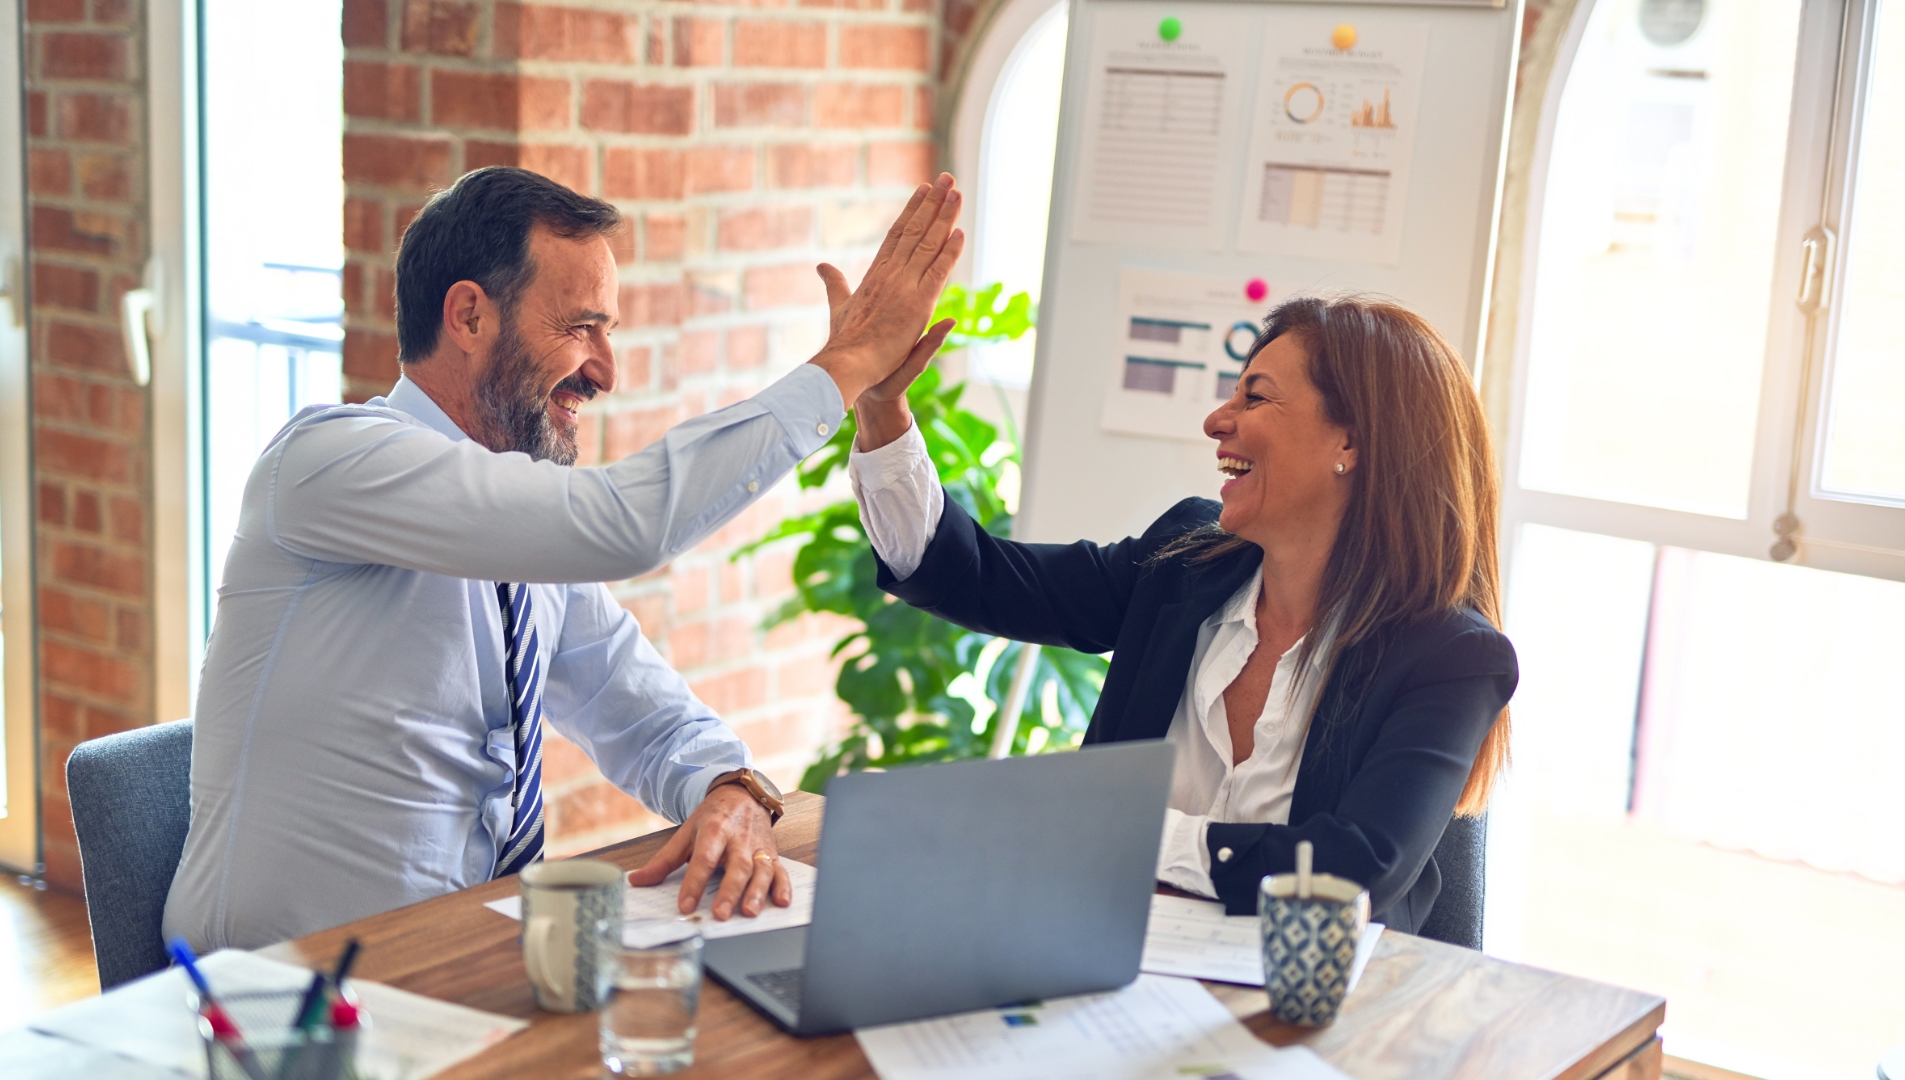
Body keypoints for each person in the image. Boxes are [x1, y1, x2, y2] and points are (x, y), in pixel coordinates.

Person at [164, 166, 965, 951]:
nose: (606, 371)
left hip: (459, 965)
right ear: (470, 317)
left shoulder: (522, 536)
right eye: (582, 326)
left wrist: (731, 788)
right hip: (278, 1000)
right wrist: (848, 364)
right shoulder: (329, 462)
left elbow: (642, 711)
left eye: (607, 332)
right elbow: (625, 524)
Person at [847, 294, 1517, 931]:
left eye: (1254, 397)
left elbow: (1349, 874)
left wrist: (1123, 830)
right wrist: (882, 410)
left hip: (1314, 1016)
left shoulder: (1450, 657)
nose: (1216, 421)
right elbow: (976, 576)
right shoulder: (1184, 564)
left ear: (1351, 443)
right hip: (1106, 964)